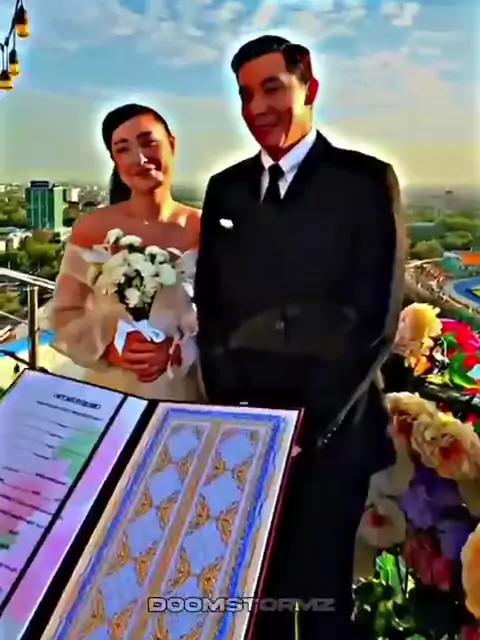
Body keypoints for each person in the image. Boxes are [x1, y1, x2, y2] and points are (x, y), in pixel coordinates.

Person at [194, 36, 406, 639]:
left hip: (331, 438)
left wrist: (302, 429)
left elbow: (374, 320)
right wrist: (240, 415)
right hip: (246, 438)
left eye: (272, 88)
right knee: (248, 599)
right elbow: (213, 311)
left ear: (309, 88)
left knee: (320, 605)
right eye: (245, 94)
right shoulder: (225, 189)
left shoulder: (365, 181)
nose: (257, 107)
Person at [50, 103, 202, 400]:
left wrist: (178, 351)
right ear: (114, 160)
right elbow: (63, 316)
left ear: (171, 144)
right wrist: (110, 347)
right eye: (123, 149)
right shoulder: (93, 230)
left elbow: (228, 318)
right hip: (111, 390)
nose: (139, 158)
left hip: (184, 389)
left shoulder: (203, 228)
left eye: (148, 143)